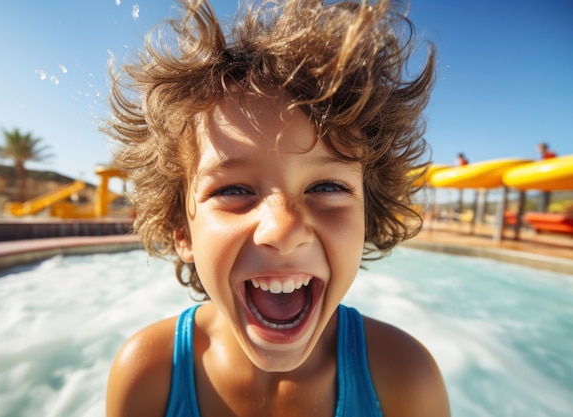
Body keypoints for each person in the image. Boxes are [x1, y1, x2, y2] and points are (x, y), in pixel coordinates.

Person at [105, 0, 450, 416]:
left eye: (326, 186)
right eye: (233, 190)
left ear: (368, 218)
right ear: (183, 232)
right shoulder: (149, 374)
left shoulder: (403, 376)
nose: (283, 230)